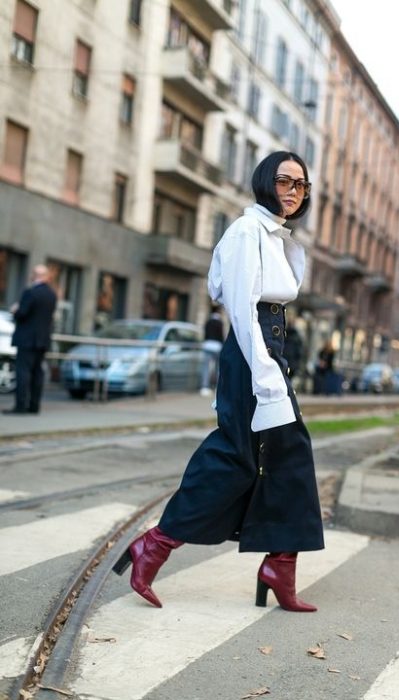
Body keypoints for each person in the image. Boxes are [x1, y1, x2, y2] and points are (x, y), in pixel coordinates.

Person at [113, 151, 324, 612]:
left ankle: (279, 564)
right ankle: (157, 544)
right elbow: (243, 312)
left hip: (268, 349)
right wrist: (267, 378)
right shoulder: (247, 232)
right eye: (285, 181)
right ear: (265, 180)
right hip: (254, 353)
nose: (293, 191)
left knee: (282, 454)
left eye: (301, 185)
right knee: (237, 454)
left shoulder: (274, 236)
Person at [3, 264, 57, 415]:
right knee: (37, 373)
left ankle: (20, 406)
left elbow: (22, 313)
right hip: (42, 340)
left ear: (35, 275)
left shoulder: (31, 292)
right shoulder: (51, 295)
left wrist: (15, 310)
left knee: (23, 372)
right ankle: (34, 406)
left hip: (27, 339)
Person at [199, 303, 225, 396]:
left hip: (207, 345)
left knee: (205, 367)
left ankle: (204, 387)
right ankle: (218, 387)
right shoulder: (220, 322)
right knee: (218, 368)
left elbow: (205, 334)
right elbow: (221, 336)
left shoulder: (208, 321)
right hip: (217, 346)